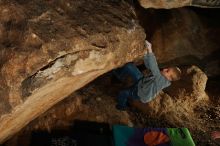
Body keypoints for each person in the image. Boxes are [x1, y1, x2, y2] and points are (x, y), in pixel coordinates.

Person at [113, 40, 181, 110]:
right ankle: (119, 76)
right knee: (129, 66)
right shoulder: (162, 75)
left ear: (169, 79)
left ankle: (122, 106)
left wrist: (150, 50)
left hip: (139, 93)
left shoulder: (163, 82)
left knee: (123, 93)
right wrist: (145, 54)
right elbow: (149, 66)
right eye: (167, 68)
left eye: (167, 71)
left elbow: (154, 67)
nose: (164, 69)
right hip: (142, 81)